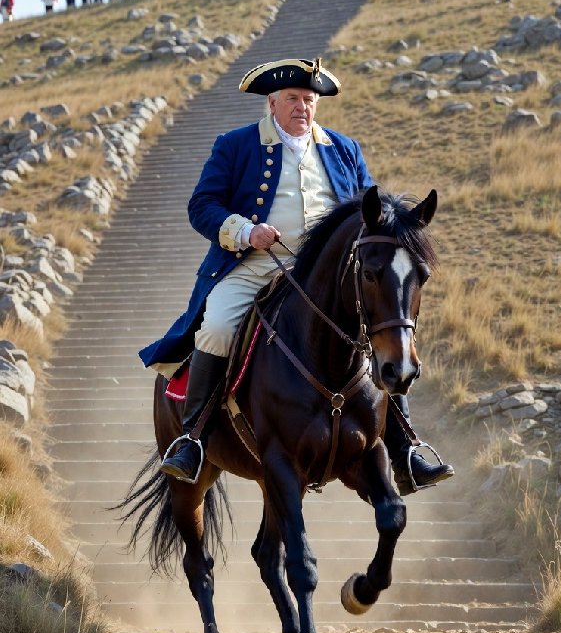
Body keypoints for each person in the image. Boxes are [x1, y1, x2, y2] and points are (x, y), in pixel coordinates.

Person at [140, 56, 455, 496]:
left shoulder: (343, 149)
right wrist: (247, 231)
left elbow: (373, 213)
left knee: (385, 332)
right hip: (255, 265)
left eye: (309, 100)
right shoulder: (235, 145)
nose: (302, 107)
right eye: (293, 99)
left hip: (327, 276)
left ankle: (406, 447)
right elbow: (202, 206)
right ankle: (192, 439)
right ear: (272, 103)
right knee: (214, 328)